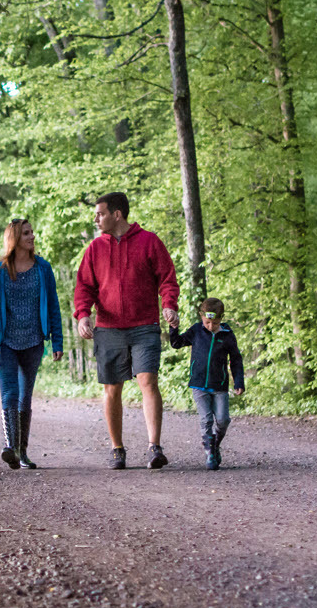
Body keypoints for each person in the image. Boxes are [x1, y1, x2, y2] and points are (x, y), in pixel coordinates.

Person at [73, 191, 180, 470]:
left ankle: (154, 447)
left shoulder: (149, 242)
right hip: (108, 329)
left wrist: (169, 305)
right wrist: (83, 316)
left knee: (148, 381)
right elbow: (84, 287)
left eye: (100, 214)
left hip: (144, 326)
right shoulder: (95, 249)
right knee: (112, 389)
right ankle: (117, 449)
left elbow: (167, 278)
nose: (96, 219)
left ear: (117, 214)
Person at [0, 219, 64, 470]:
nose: (32, 236)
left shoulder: (43, 268)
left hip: (34, 342)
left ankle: (22, 453)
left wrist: (57, 340)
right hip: (4, 344)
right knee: (10, 393)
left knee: (25, 397)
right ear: (14, 238)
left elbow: (53, 306)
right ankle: (10, 447)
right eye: (26, 233)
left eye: (31, 232)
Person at [169, 298, 245, 470]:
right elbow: (176, 343)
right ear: (201, 317)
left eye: (215, 323)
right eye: (207, 322)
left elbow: (236, 360)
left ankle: (215, 444)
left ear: (221, 319)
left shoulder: (227, 335)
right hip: (198, 384)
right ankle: (209, 452)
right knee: (206, 419)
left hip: (220, 386)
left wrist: (238, 381)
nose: (211, 326)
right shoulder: (197, 331)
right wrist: (173, 328)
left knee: (223, 419)